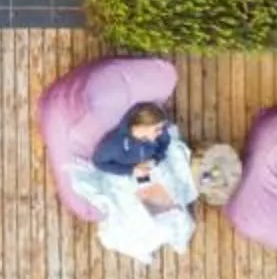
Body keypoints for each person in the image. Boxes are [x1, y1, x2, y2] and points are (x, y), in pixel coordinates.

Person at [74, 99, 198, 264]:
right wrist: (131, 170)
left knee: (168, 211)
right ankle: (143, 244)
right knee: (138, 218)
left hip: (148, 171)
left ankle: (174, 235)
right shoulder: (115, 145)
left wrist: (155, 160)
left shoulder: (159, 136)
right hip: (126, 176)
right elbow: (99, 163)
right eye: (156, 129)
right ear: (142, 127)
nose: (160, 132)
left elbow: (164, 144)